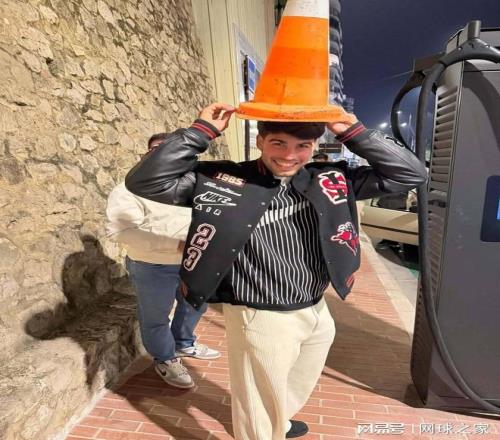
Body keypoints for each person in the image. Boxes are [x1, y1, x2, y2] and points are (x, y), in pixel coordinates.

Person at [125, 103, 427, 439]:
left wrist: (353, 131)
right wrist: (200, 132)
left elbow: (409, 175)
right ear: (260, 140)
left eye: (302, 146)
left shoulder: (328, 178)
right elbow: (145, 181)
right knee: (256, 398)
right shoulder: (221, 179)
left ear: (314, 146)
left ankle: (277, 422)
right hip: (260, 312)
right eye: (278, 143)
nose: (289, 155)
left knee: (296, 377)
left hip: (315, 306)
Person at [106, 133, 220, 389]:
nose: (164, 154)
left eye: (171, 149)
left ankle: (184, 343)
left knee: (195, 305)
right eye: (157, 149)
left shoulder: (194, 184)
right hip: (152, 265)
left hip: (194, 261)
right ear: (146, 155)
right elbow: (122, 232)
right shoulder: (128, 189)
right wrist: (177, 244)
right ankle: (165, 358)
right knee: (156, 316)